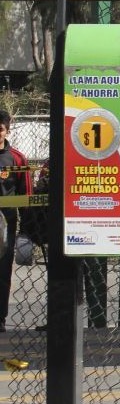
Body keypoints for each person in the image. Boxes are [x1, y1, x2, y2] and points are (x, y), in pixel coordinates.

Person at [0, 110, 30, 333]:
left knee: (2, 271)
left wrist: (26, 232)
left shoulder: (18, 159)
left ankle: (0, 317)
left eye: (0, 128)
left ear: (7, 130)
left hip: (5, 224)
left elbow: (27, 197)